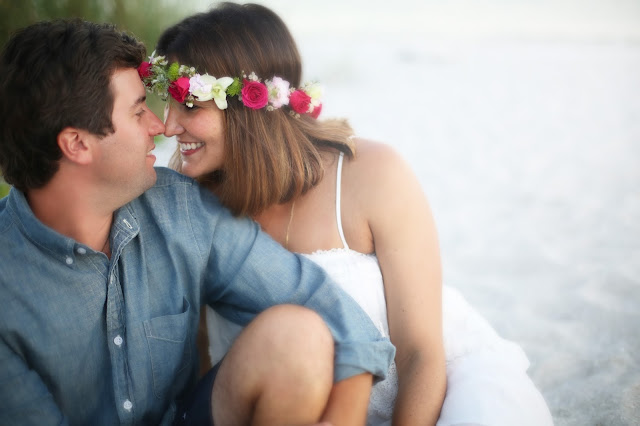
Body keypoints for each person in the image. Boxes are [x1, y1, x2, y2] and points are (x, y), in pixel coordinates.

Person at [151, 3, 556, 425]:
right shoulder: (188, 200)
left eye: (190, 105)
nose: (168, 125)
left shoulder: (370, 174)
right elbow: (198, 356)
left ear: (245, 108)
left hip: (439, 389)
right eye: (167, 102)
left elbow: (421, 353)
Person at [0, 18, 397, 426]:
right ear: (77, 144)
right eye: (139, 112)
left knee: (298, 336)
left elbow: (331, 310)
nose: (161, 127)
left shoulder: (180, 207)